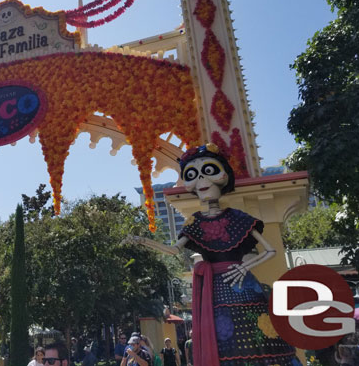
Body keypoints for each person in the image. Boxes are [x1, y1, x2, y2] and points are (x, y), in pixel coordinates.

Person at [128, 144, 301, 366]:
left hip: (242, 284)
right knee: (220, 337)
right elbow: (173, 249)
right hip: (214, 291)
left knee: (260, 335)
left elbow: (270, 250)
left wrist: (245, 267)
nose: (202, 181)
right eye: (193, 175)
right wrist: (143, 240)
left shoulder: (238, 217)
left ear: (223, 177)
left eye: (208, 172)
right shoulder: (196, 222)